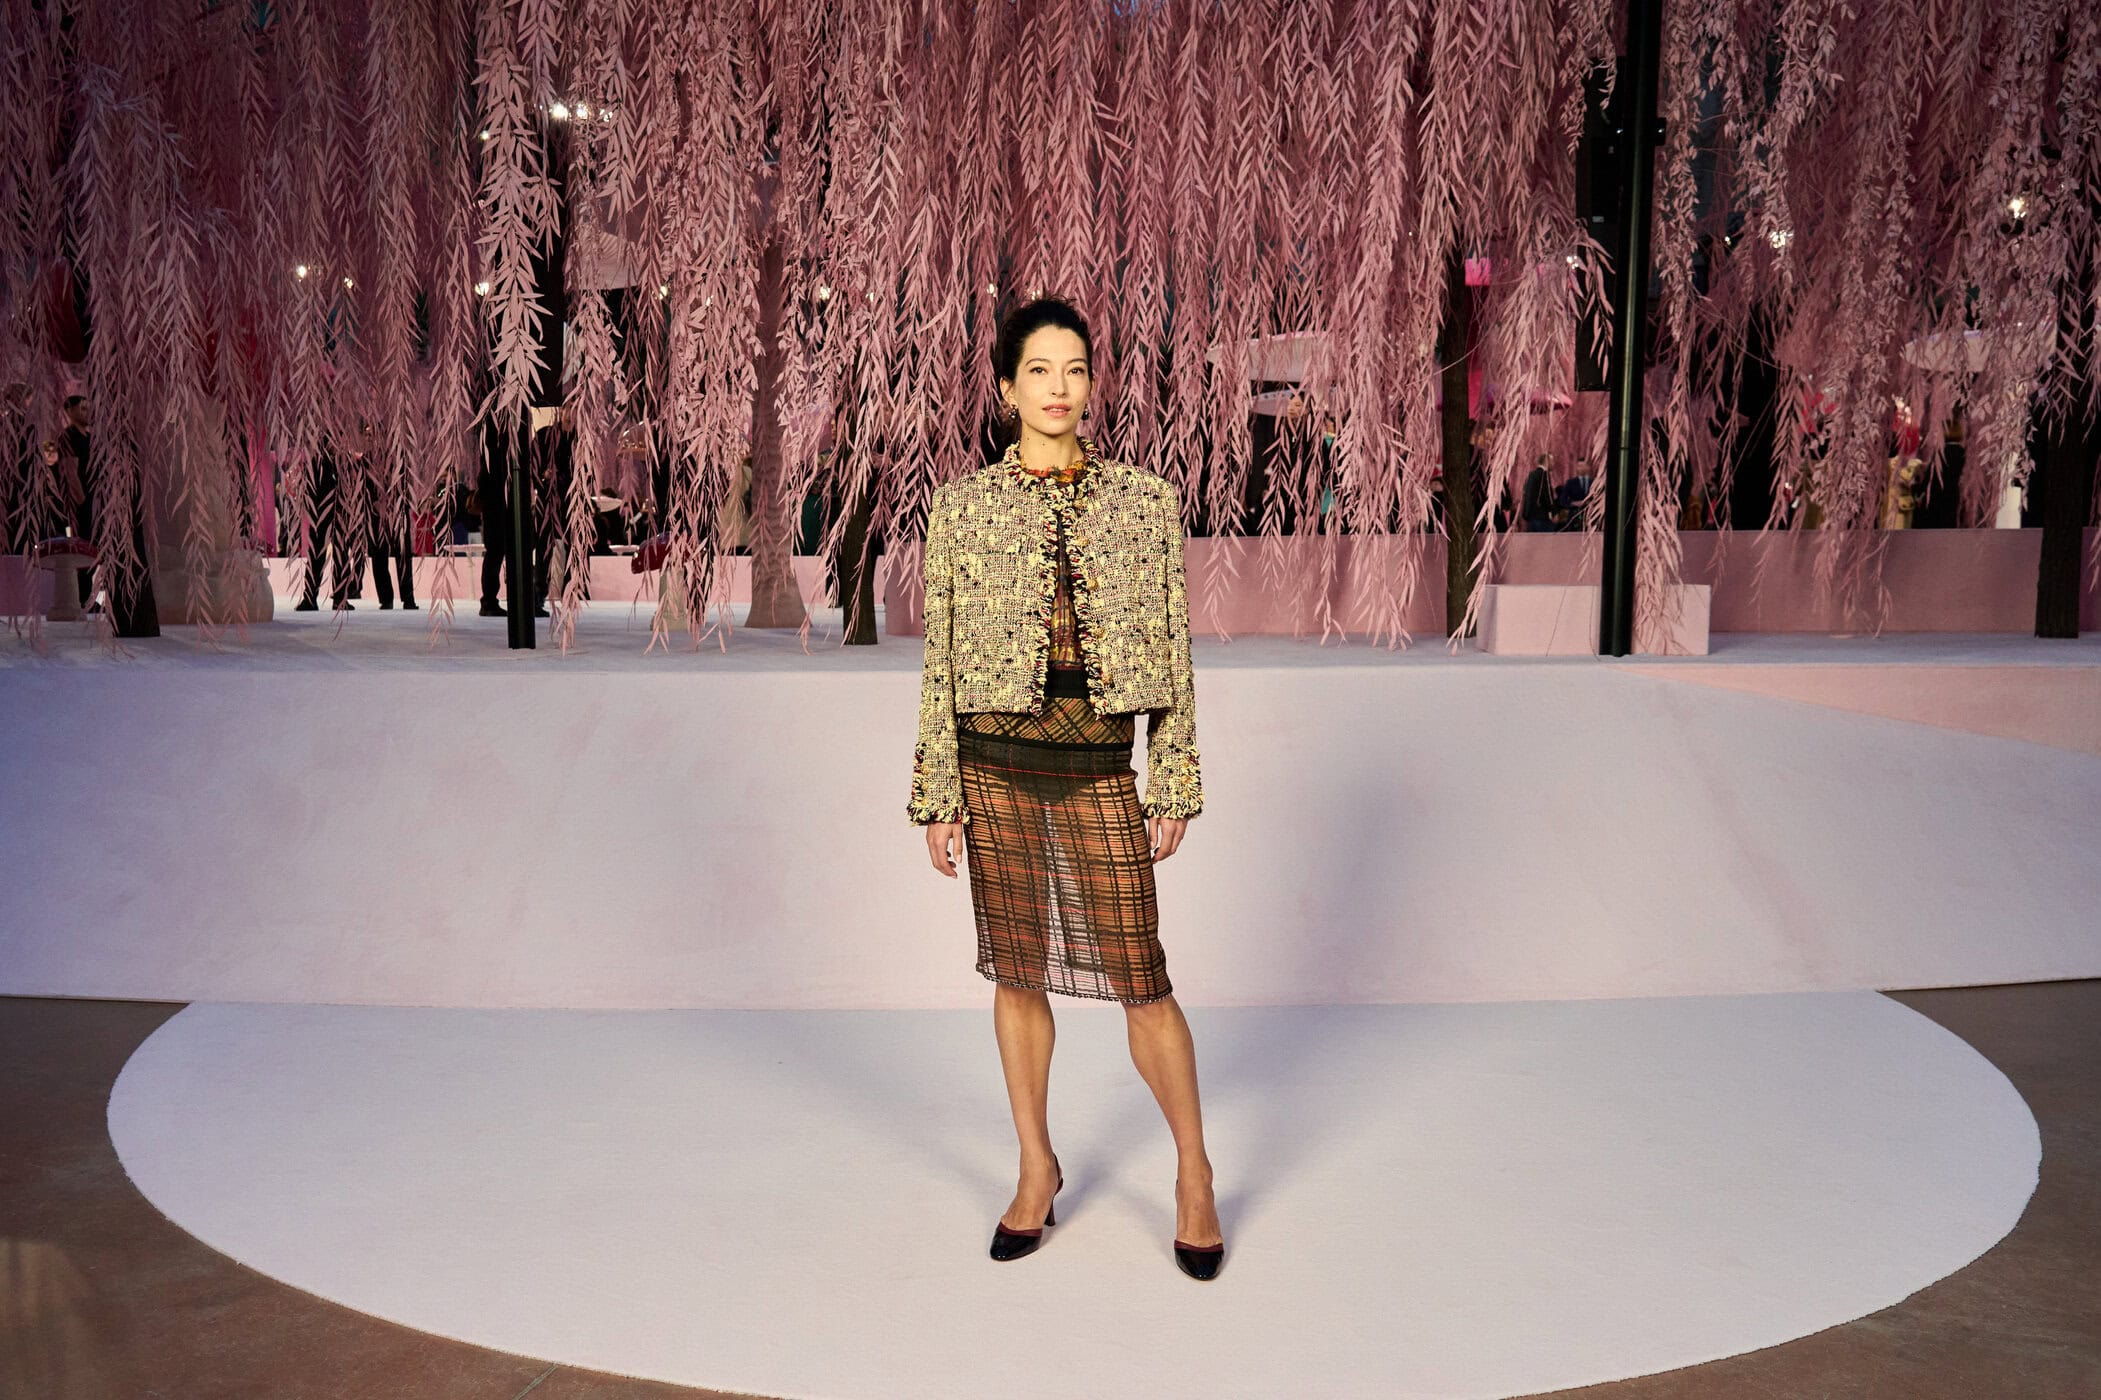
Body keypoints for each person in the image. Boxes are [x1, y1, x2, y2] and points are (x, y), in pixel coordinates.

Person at [907, 295, 1222, 1280]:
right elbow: (939, 655)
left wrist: (1172, 775)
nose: (1059, 387)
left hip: (1096, 765)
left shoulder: (1144, 501)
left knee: (1141, 979)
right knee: (1017, 971)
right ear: (1006, 388)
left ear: (1091, 384)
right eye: (1039, 370)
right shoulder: (961, 507)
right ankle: (1035, 1166)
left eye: (1075, 369)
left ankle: (1194, 1172)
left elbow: (1173, 649)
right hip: (993, 761)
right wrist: (937, 789)